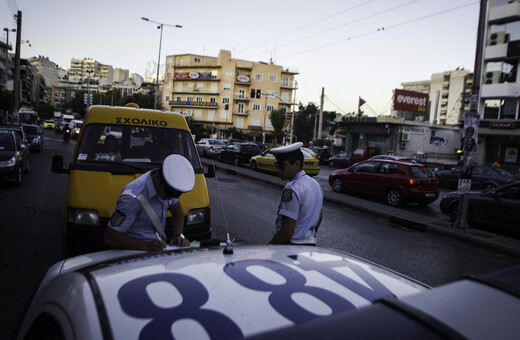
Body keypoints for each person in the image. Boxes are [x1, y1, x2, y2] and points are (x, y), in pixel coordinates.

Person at [104, 154, 193, 251]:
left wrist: (177, 235)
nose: (169, 199)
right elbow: (110, 236)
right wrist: (145, 246)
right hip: (132, 252)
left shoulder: (168, 186)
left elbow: (177, 211)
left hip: (156, 250)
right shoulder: (131, 198)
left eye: (174, 196)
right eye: (168, 194)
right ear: (157, 178)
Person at [269, 142, 323, 245]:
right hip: (310, 246)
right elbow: (319, 217)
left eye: (282, 166)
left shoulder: (292, 188)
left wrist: (268, 249)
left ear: (297, 164)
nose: (278, 170)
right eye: (277, 165)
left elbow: (287, 232)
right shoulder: (315, 185)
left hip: (291, 249)